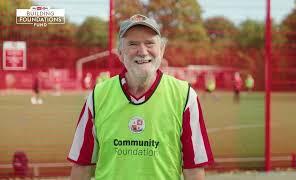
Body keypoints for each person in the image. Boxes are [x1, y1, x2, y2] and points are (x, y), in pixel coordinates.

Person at [67, 14, 213, 180]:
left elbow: (193, 170)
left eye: (150, 43)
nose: (143, 51)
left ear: (162, 49)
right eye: (133, 44)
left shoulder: (185, 96)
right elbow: (81, 167)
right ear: (120, 53)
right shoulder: (97, 96)